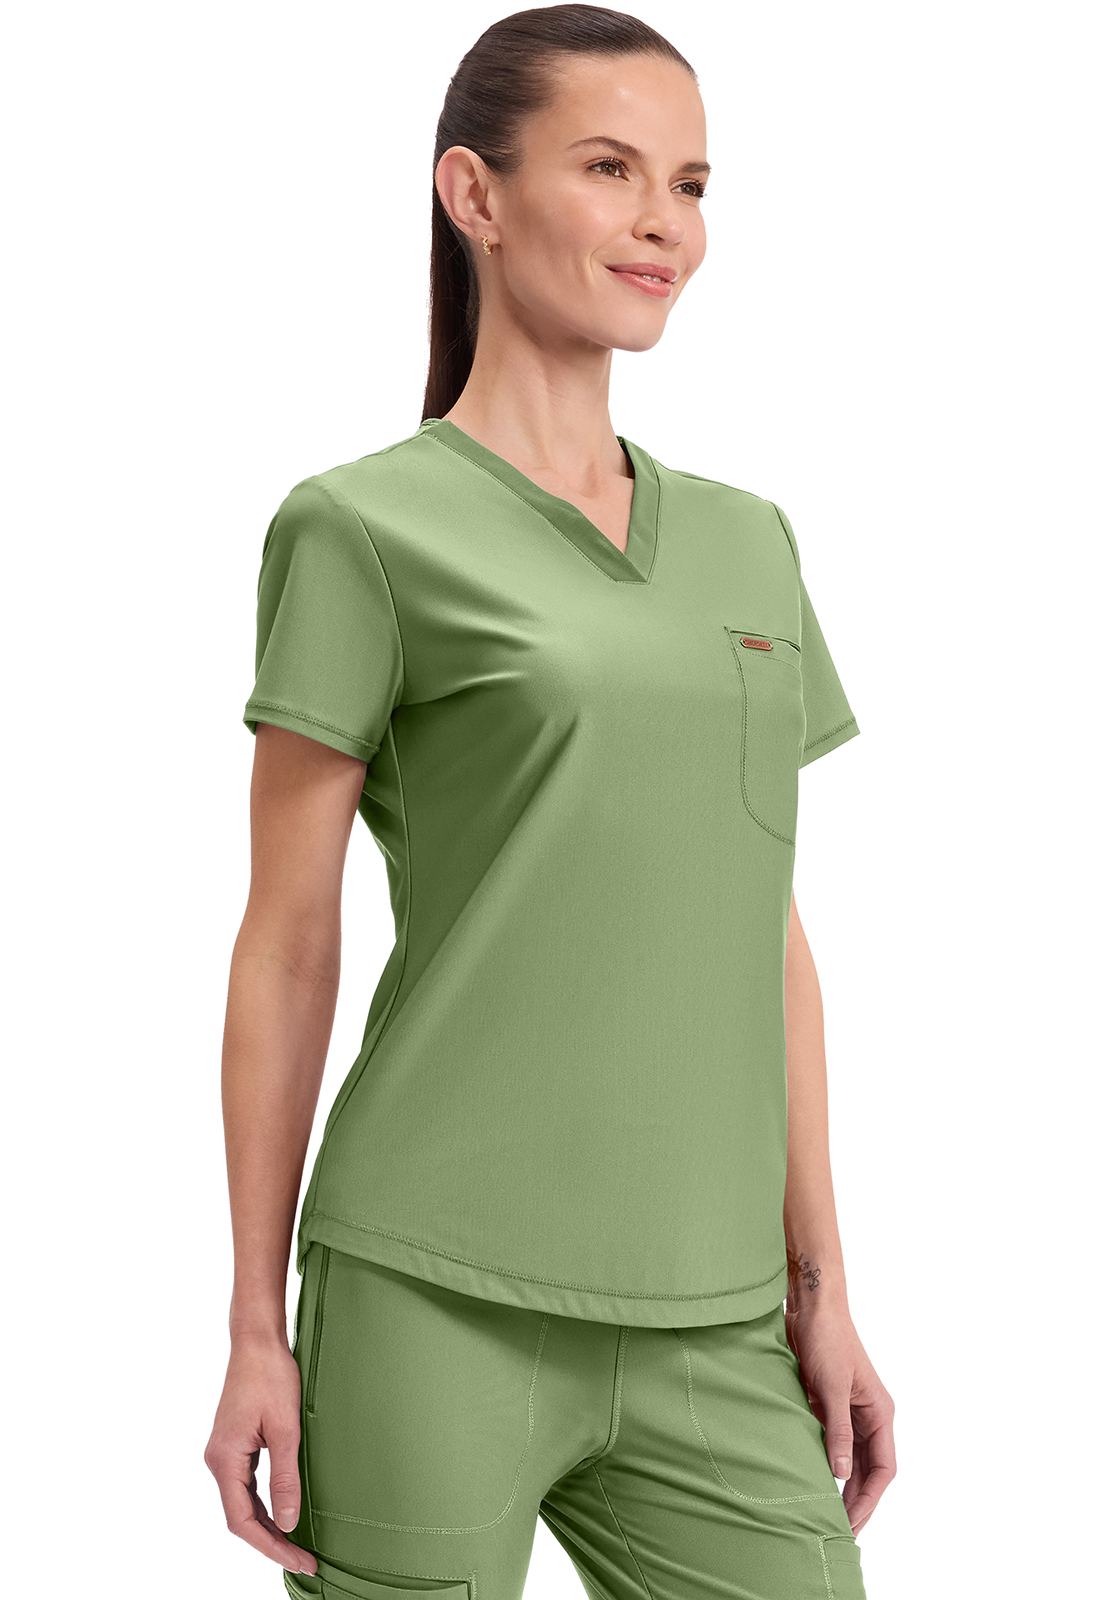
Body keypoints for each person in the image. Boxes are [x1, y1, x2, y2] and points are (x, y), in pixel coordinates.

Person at [204, 7, 896, 1598]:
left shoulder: (750, 542)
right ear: (476, 194)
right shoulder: (360, 531)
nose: (667, 224)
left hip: (717, 1316)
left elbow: (762, 927)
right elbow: (287, 944)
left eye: (692, 184)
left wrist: (824, 1283)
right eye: (610, 169)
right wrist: (254, 1323)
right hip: (428, 1292)